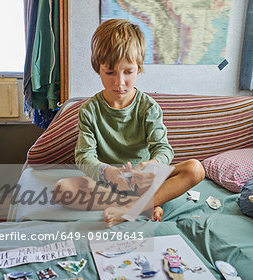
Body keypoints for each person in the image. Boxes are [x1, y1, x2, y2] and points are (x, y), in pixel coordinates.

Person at [52, 19, 205, 227]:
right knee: (62, 188)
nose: (119, 82)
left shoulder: (148, 107)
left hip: (144, 183)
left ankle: (133, 207)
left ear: (139, 68)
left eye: (128, 72)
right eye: (110, 72)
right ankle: (143, 205)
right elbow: (84, 157)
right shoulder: (89, 110)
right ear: (98, 68)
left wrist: (154, 165)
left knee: (195, 169)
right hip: (109, 184)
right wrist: (109, 172)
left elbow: (163, 149)